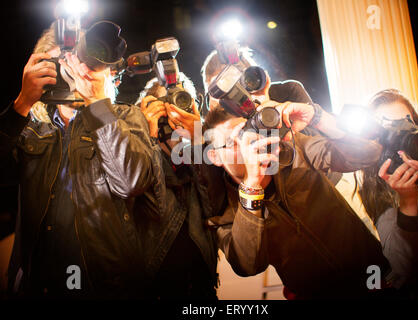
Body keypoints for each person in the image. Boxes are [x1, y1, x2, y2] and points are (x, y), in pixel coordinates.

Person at [0, 22, 161, 299]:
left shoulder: (125, 118)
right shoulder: (30, 125)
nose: (73, 70)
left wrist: (97, 104)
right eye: (61, 61)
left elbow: (131, 182)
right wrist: (22, 103)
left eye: (80, 59)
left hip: (104, 287)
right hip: (34, 284)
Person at [202, 102, 391, 299]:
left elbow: (370, 154)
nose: (245, 146)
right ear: (215, 156)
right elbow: (247, 265)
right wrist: (251, 186)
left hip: (375, 276)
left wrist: (318, 117)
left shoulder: (294, 149)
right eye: (233, 143)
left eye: (246, 133)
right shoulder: (226, 211)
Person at [358, 89, 418, 297]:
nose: (400, 138)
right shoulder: (378, 192)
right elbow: (405, 271)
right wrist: (407, 203)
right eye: (389, 132)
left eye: (406, 127)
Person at [135, 77, 218, 300]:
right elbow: (151, 202)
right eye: (166, 105)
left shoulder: (198, 159)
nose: (175, 114)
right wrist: (146, 135)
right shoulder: (138, 162)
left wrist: (199, 137)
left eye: (181, 102)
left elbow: (217, 202)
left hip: (202, 292)